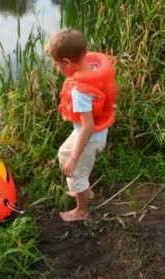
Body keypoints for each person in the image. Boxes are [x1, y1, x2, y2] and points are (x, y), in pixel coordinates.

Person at [45, 28, 116, 222]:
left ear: (66, 62)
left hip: (90, 137)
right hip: (97, 132)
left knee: (75, 173)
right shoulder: (94, 67)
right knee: (63, 154)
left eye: (56, 64)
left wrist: (74, 159)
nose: (56, 67)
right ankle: (82, 189)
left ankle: (81, 210)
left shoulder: (80, 91)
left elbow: (87, 126)